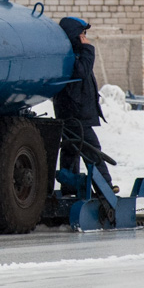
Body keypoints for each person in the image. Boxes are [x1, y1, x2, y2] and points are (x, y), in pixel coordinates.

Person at [53, 16, 114, 191]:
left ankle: (69, 188)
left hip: (75, 113)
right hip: (77, 115)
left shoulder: (73, 53)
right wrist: (88, 49)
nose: (85, 38)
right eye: (82, 33)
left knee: (71, 151)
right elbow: (81, 71)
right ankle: (106, 188)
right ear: (74, 35)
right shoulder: (70, 55)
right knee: (92, 150)